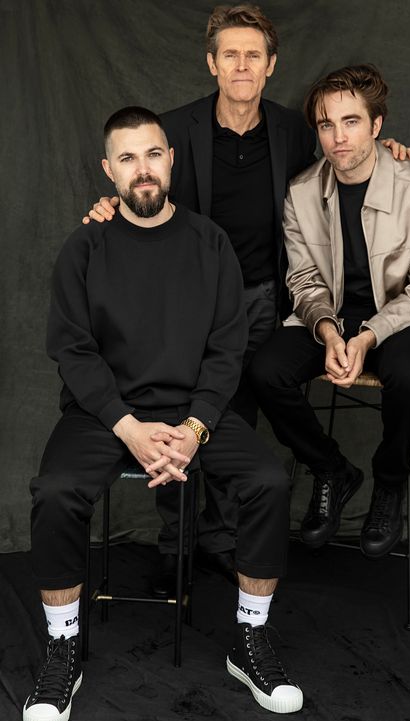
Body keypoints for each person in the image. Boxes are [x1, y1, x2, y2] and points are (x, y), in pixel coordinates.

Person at [83, 4, 410, 587]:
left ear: (270, 66)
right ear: (212, 64)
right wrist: (109, 204)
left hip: (266, 296)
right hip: (188, 301)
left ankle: (225, 538)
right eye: (230, 54)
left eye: (253, 55)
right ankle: (178, 547)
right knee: (178, 408)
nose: (242, 65)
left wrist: (391, 155)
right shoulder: (173, 130)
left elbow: (346, 162)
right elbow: (140, 185)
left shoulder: (294, 129)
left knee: (237, 419)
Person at [24, 107, 304, 721]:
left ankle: (250, 641)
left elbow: (229, 345)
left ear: (171, 158)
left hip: (192, 412)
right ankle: (62, 649)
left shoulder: (209, 242)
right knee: (56, 490)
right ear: (108, 170)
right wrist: (125, 424)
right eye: (127, 158)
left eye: (153, 154)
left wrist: (196, 427)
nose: (142, 169)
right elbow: (71, 348)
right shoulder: (86, 246)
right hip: (104, 416)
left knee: (268, 481)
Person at [249, 64, 410, 559]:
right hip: (332, 315)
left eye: (351, 122)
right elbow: (301, 277)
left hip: (405, 317)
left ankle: (390, 480)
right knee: (265, 370)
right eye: (326, 125)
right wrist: (326, 330)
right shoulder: (301, 192)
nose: (338, 138)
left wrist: (367, 337)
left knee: (408, 375)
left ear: (377, 125)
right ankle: (331, 469)